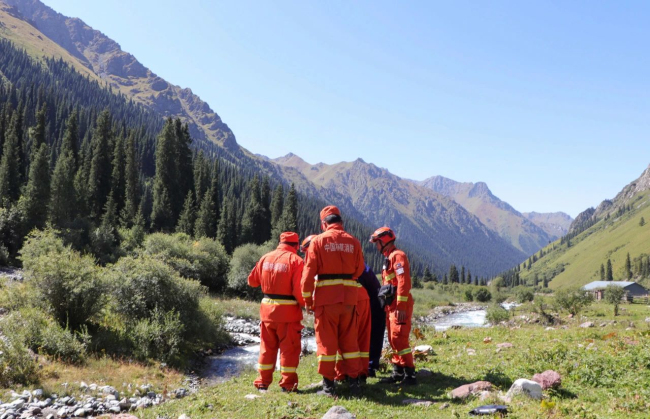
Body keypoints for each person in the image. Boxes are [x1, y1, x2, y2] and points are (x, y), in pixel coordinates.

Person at [301, 206, 365, 396]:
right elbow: (359, 269)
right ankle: (354, 384)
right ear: (341, 222)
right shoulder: (354, 241)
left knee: (326, 343)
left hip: (326, 300)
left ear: (324, 224)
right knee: (350, 342)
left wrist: (307, 300)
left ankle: (329, 386)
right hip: (349, 299)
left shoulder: (318, 241)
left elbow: (308, 275)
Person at [248, 232, 305, 392]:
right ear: (296, 245)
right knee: (289, 349)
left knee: (267, 348)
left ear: (280, 243)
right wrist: (309, 305)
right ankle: (287, 385)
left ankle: (262, 383)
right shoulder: (296, 261)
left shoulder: (265, 258)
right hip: (287, 314)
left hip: (266, 312)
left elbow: (252, 281)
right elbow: (299, 291)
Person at [370, 227, 417, 386]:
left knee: (399, 339)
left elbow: (403, 282)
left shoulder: (397, 256)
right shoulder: (389, 257)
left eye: (377, 243)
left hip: (399, 306)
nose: (376, 246)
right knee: (393, 339)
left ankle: (410, 375)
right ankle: (398, 372)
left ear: (384, 241)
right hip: (391, 306)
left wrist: (401, 306)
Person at [357, 263, 386, 378]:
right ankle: (369, 367)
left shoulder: (362, 269)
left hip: (374, 306)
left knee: (372, 337)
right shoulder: (363, 267)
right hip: (371, 305)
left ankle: (370, 367)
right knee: (371, 337)